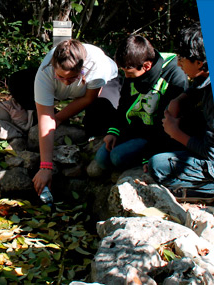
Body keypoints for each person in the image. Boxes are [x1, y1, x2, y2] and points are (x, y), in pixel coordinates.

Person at [145, 25, 214, 204]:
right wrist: (179, 100)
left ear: (199, 62)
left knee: (158, 166)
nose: (178, 63)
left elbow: (211, 153)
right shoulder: (209, 71)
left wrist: (176, 132)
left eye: (182, 59)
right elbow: (196, 89)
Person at [89, 35, 188, 176]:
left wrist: (148, 155)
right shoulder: (133, 69)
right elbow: (123, 104)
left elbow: (169, 123)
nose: (126, 77)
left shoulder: (174, 75)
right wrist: (114, 131)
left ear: (146, 66)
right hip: (134, 129)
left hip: (157, 135)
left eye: (128, 73)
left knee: (117, 158)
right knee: (102, 159)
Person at [30, 39, 119, 193]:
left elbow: (88, 98)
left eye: (71, 78)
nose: (65, 82)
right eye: (60, 77)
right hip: (72, 91)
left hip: (105, 84)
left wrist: (58, 118)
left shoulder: (97, 65)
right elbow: (45, 119)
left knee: (98, 117)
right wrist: (45, 166)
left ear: (82, 69)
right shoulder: (45, 71)